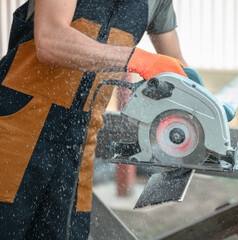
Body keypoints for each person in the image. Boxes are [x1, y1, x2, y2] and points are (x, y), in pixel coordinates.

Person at [0, 0, 188, 239]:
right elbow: (50, 39)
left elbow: (176, 68)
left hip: (78, 151)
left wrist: (204, 102)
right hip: (13, 142)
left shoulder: (157, 3)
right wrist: (138, 59)